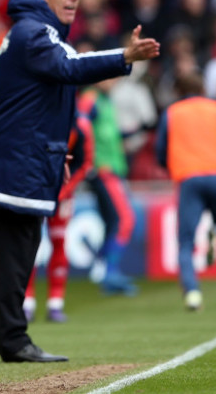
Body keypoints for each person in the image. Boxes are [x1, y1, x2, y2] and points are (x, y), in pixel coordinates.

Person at [0, 0, 160, 363]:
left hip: (22, 157)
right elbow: (70, 68)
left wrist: (58, 148)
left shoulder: (31, 32)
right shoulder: (35, 33)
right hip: (16, 163)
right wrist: (123, 56)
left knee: (16, 252)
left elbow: (38, 100)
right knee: (18, 254)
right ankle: (13, 340)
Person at [155, 71, 216, 311]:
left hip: (189, 177)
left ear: (178, 91)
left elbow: (160, 150)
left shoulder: (172, 113)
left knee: (185, 242)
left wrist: (173, 166)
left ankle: (192, 294)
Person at [23, 112, 95, 323]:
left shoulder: (80, 125)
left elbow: (85, 163)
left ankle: (55, 303)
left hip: (62, 195)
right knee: (29, 244)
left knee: (59, 241)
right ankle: (27, 303)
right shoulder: (36, 118)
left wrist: (64, 189)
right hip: (34, 192)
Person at [78, 77, 138, 295]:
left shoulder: (104, 101)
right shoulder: (90, 100)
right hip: (103, 169)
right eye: (110, 76)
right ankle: (110, 274)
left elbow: (105, 134)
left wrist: (129, 133)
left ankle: (104, 271)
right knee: (124, 220)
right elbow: (79, 129)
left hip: (113, 167)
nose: (114, 81)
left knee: (112, 222)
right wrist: (85, 162)